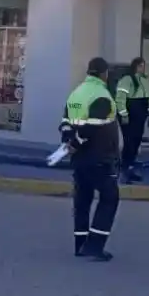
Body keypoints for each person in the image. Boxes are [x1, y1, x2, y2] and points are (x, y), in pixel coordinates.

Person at [59, 57, 121, 262]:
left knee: (83, 200)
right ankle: (94, 245)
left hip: (79, 160)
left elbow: (66, 122)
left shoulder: (76, 93)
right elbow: (91, 129)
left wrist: (69, 142)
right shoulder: (101, 95)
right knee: (109, 198)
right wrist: (75, 142)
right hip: (100, 157)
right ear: (104, 74)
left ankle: (80, 244)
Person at [115, 57, 149, 184]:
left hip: (140, 115)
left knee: (136, 142)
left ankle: (130, 168)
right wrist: (123, 114)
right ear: (136, 67)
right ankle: (124, 170)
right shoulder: (127, 80)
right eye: (142, 66)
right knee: (129, 142)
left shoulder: (145, 81)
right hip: (130, 115)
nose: (144, 68)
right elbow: (120, 98)